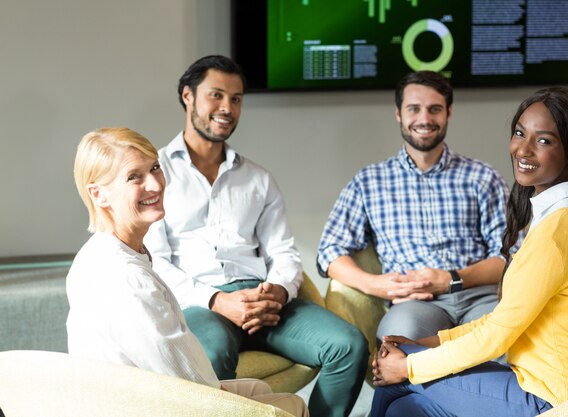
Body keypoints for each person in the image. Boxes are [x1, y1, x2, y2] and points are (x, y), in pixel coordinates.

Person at [143, 55, 368, 417]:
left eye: (236, 99)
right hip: (199, 304)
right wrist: (218, 300)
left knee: (348, 344)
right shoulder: (155, 174)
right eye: (216, 95)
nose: (227, 108)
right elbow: (155, 262)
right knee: (209, 356)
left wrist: (277, 291)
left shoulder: (258, 179)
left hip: (263, 298)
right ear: (188, 96)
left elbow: (284, 253)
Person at [370, 87, 568, 417]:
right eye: (519, 133)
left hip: (552, 396)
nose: (522, 149)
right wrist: (430, 343)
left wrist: (408, 367)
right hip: (544, 380)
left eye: (544, 140)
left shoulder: (557, 233)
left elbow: (496, 336)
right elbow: (501, 320)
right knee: (405, 407)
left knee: (396, 378)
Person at [67, 127, 309, 416]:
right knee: (293, 405)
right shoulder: (129, 278)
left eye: (155, 167)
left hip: (143, 392)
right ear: (98, 194)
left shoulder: (96, 253)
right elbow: (185, 383)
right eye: (135, 177)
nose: (155, 185)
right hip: (152, 405)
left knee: (260, 390)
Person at [317, 71, 510, 343]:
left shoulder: (482, 176)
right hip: (414, 305)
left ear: (448, 113)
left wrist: (452, 278)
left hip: (480, 296)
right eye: (414, 109)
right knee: (400, 343)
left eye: (435, 109)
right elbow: (329, 252)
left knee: (504, 340)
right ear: (399, 113)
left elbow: (510, 256)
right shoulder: (369, 182)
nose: (424, 119)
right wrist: (376, 285)